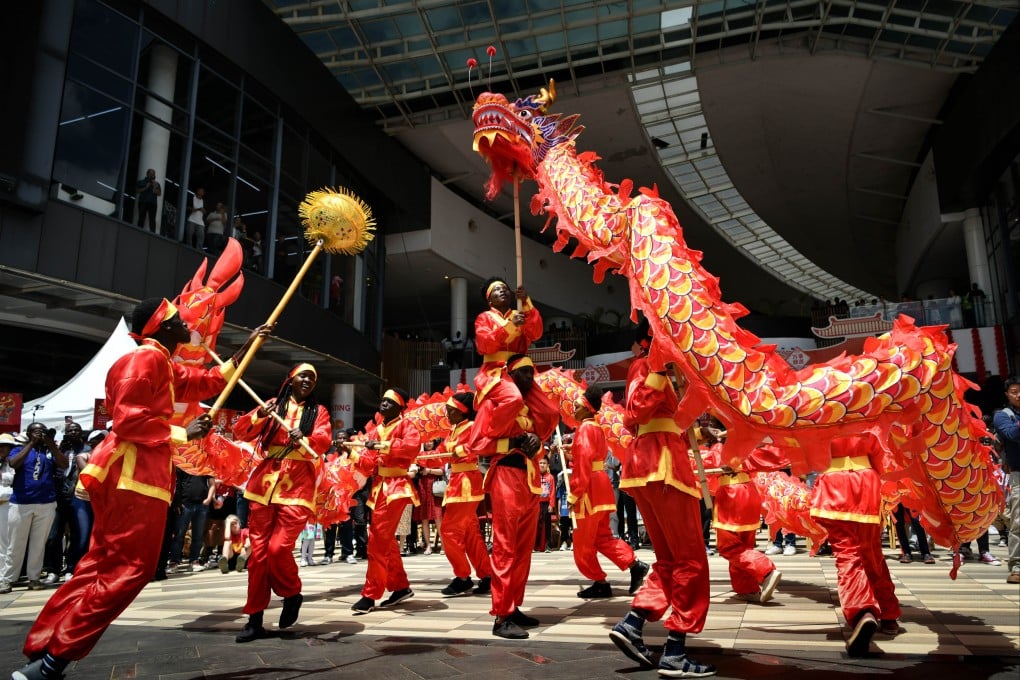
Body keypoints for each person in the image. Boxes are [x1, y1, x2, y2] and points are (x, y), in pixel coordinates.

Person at [12, 298, 268, 680]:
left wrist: (244, 350)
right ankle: (54, 660)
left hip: (138, 478)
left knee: (99, 567)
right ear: (160, 327)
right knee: (130, 569)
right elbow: (129, 421)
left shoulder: (159, 362)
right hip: (133, 477)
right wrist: (183, 431)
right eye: (178, 320)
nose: (187, 325)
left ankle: (45, 649)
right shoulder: (145, 360)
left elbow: (202, 381)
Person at [608, 321, 714, 677]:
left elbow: (660, 417)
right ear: (650, 342)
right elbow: (634, 414)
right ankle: (676, 649)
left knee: (670, 559)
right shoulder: (647, 365)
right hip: (663, 467)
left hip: (651, 466)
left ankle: (634, 622)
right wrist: (657, 367)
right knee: (692, 561)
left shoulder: (662, 369)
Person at [232, 363, 332, 643]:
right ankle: (254, 619)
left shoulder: (319, 412)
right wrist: (259, 417)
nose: (308, 381)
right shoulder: (273, 404)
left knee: (278, 549)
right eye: (304, 375)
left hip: (298, 485)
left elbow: (323, 441)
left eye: (313, 378)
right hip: (264, 483)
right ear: (291, 377)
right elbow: (240, 431)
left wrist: (306, 438)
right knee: (258, 557)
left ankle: (291, 593)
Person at [466, 354, 559, 639]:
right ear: (510, 375)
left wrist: (536, 445)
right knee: (506, 548)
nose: (530, 378)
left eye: (532, 373)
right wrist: (515, 441)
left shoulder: (530, 409)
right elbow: (477, 444)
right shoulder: (493, 404)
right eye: (524, 373)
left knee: (522, 550)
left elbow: (537, 447)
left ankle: (513, 605)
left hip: (530, 480)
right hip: (505, 475)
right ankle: (501, 615)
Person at [810, 433, 901, 657]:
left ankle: (863, 612)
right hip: (866, 482)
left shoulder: (816, 406)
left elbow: (795, 446)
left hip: (834, 484)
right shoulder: (869, 407)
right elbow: (881, 453)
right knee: (871, 552)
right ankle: (888, 614)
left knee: (847, 553)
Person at [567, 386, 649, 599]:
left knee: (582, 542)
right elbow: (591, 456)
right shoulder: (595, 428)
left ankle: (599, 580)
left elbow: (584, 464)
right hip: (601, 486)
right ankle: (634, 564)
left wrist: (574, 493)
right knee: (602, 536)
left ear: (586, 409)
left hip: (589, 490)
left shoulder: (584, 429)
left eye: (576, 407)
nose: (574, 411)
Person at [350, 388, 421, 614]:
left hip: (396, 487)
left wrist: (384, 446)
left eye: (389, 402)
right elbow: (368, 464)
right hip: (379, 487)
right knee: (385, 540)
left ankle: (370, 594)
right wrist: (353, 453)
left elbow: (411, 447)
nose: (384, 405)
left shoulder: (406, 426)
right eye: (382, 401)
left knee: (377, 541)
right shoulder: (376, 430)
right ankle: (400, 587)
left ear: (400, 407)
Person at [429, 392, 493, 596]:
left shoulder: (473, 427)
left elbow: (480, 444)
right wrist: (410, 456)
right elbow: (439, 453)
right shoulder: (453, 430)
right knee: (470, 534)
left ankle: (463, 576)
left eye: (450, 410)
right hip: (457, 483)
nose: (447, 414)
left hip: (466, 484)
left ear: (462, 411)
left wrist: (462, 450)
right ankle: (487, 575)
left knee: (448, 531)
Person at [701, 445, 783, 603]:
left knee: (729, 547)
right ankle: (747, 589)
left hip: (731, 494)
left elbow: (700, 466)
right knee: (744, 546)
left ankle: (766, 570)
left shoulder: (720, 447)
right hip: (750, 492)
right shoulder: (748, 444)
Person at [3, 423, 68, 593]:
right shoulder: (18, 450)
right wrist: (31, 443)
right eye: (36, 431)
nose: (40, 434)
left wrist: (52, 445)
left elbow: (63, 464)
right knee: (16, 543)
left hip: (46, 503)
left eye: (42, 431)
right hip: (21, 503)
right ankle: (7, 579)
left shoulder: (49, 450)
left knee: (38, 544)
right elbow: (13, 464)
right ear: (29, 433)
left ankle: (34, 578)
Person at [473, 278, 543, 411]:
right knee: (513, 399)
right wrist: (511, 326)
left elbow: (536, 333)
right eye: (497, 289)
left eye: (505, 289)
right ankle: (495, 431)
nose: (502, 291)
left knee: (548, 410)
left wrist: (526, 301)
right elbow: (485, 345)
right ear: (489, 300)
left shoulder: (520, 314)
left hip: (521, 369)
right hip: (495, 370)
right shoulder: (484, 317)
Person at [41, 422, 88, 584]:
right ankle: (53, 570)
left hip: (77, 497)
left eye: (76, 430)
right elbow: (58, 466)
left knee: (76, 535)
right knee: (54, 536)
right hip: (58, 497)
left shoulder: (87, 450)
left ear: (81, 433)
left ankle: (71, 568)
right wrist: (57, 447)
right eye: (70, 430)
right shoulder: (61, 449)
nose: (73, 432)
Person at [992, 376, 1020, 584]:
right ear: (1007, 394)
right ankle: (1017, 566)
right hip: (1018, 474)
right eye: (1014, 391)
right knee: (1018, 522)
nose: (1018, 395)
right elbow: (1012, 435)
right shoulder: (1003, 416)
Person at [167, 469, 215, 572]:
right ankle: (173, 562)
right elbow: (177, 483)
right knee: (179, 535)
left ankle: (194, 561)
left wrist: (209, 499)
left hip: (202, 504)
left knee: (198, 536)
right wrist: (178, 502)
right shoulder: (183, 463)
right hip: (185, 503)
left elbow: (212, 484)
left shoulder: (205, 464)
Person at [0, 432, 17, 594]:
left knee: (5, 543)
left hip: (7, 504)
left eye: (6, 446)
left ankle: (3, 577)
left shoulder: (11, 463)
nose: (2, 449)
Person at [534, 458, 555, 552]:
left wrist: (551, 504)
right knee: (535, 525)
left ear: (548, 465)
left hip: (546, 503)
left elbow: (552, 492)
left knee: (547, 524)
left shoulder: (550, 477)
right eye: (540, 463)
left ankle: (547, 545)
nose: (542, 465)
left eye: (544, 463)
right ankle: (535, 546)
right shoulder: (534, 476)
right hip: (536, 503)